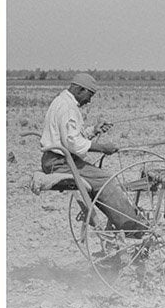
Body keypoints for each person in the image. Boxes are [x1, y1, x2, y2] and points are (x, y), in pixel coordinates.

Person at [40, 72, 144, 233]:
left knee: (99, 178)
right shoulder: (68, 108)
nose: (89, 100)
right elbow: (73, 143)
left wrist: (94, 131)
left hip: (56, 160)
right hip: (61, 163)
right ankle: (131, 226)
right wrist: (102, 147)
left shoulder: (62, 102)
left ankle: (119, 220)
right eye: (89, 95)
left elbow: (71, 136)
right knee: (104, 180)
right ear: (79, 89)